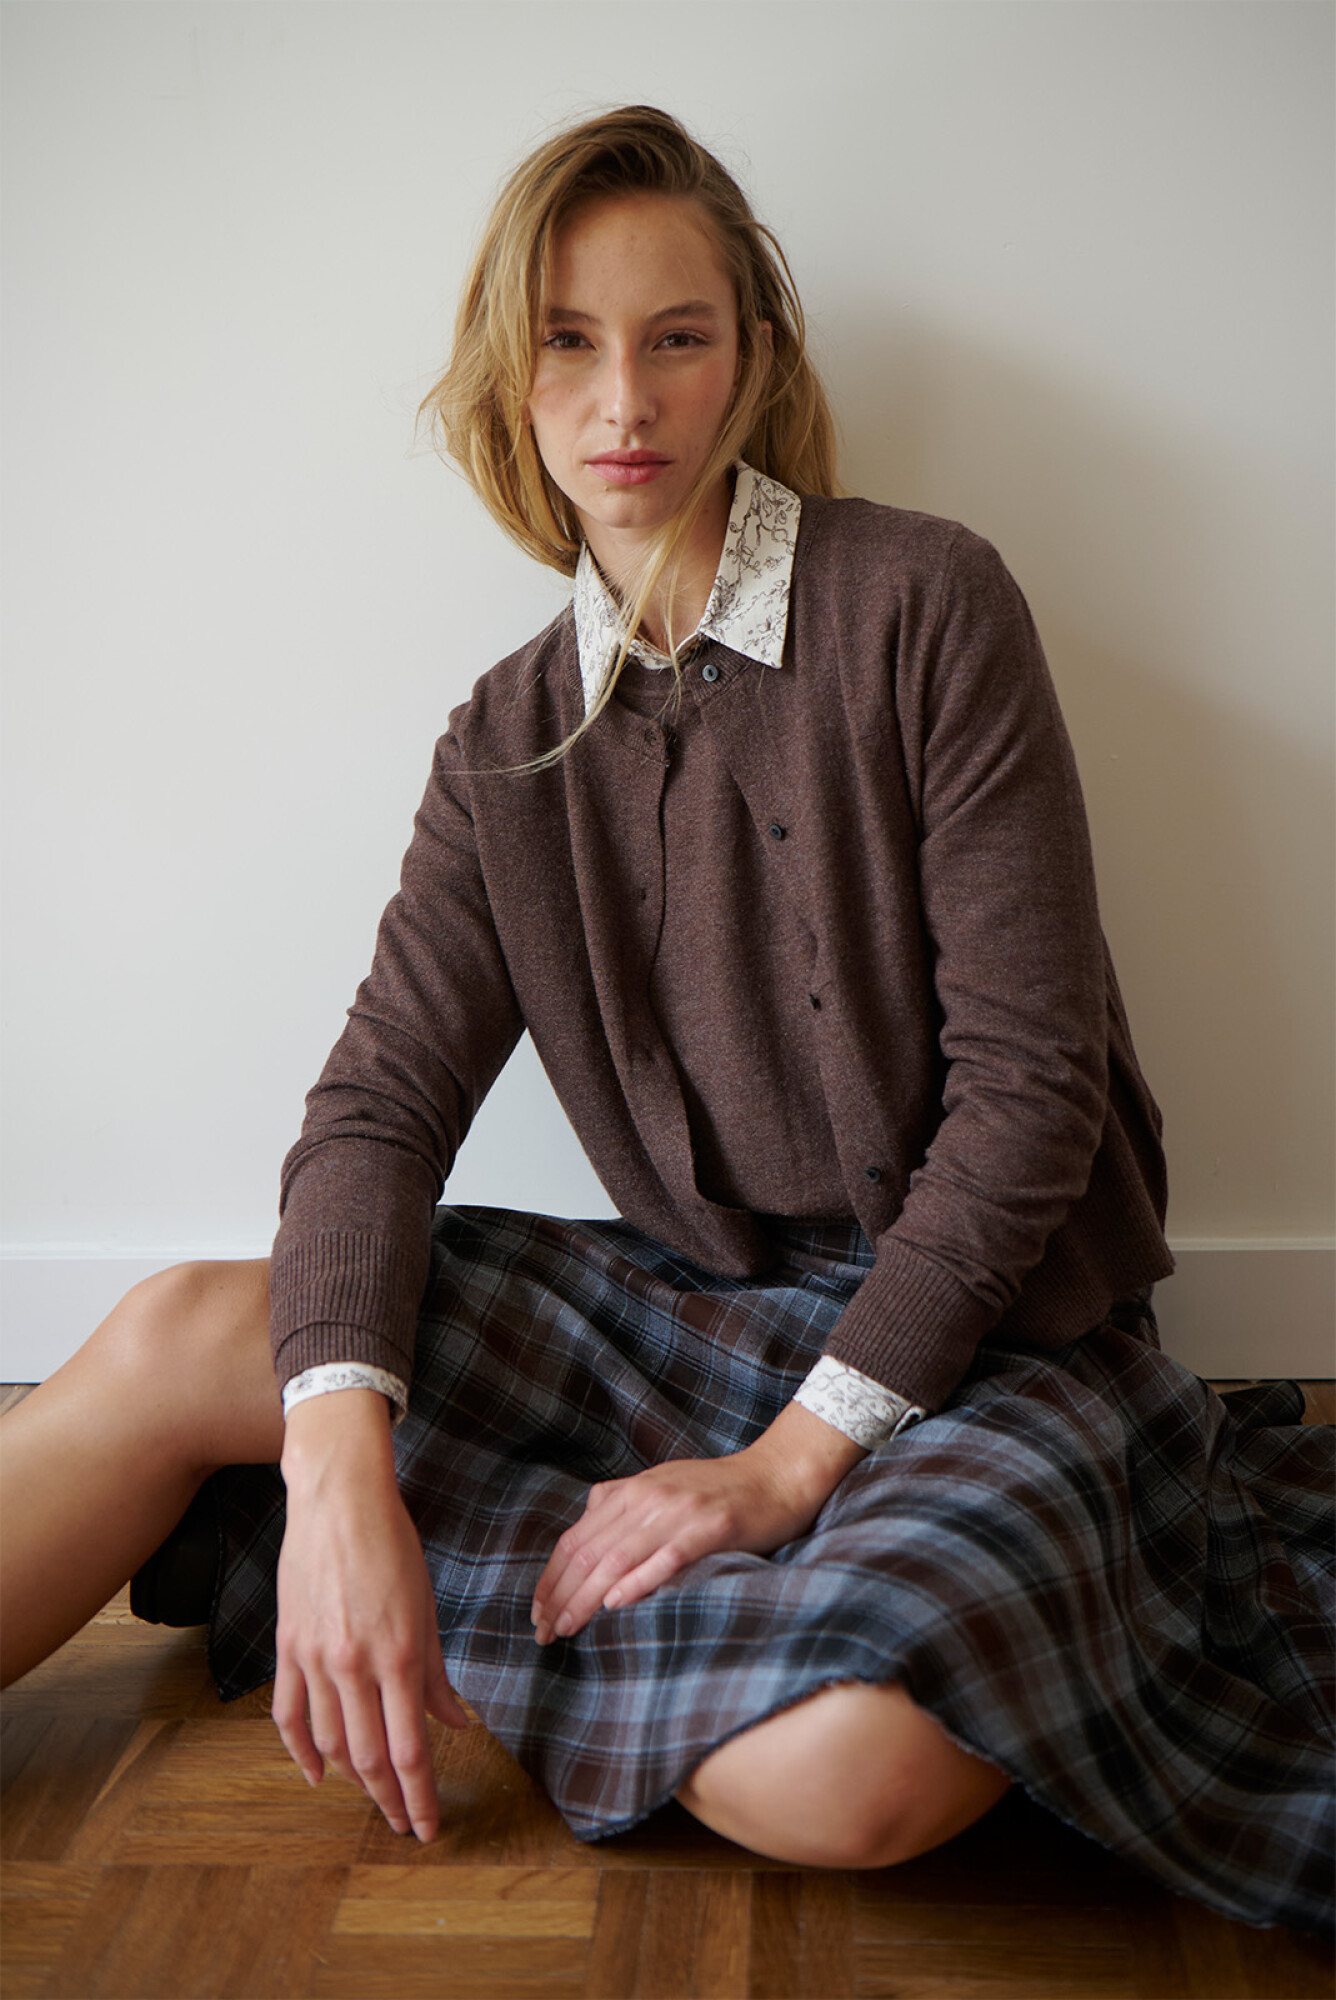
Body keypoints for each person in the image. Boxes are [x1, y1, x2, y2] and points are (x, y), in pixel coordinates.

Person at [2, 105, 1331, 1933]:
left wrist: (786, 1471)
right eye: (568, 342)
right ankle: (364, 1559)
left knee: (852, 1777)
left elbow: (1035, 1097)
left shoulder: (926, 604)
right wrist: (334, 1476)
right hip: (695, 1318)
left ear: (752, 360)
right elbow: (376, 1111)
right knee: (185, 1337)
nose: (623, 399)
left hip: (993, 1342)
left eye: (675, 337)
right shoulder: (504, 740)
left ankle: (479, 1590)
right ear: (512, 380)